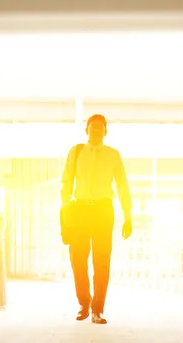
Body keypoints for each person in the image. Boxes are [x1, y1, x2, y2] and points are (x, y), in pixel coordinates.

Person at [60, 114, 133, 324]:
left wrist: (128, 216)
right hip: (80, 210)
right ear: (87, 130)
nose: (96, 131)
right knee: (77, 259)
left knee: (102, 262)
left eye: (101, 127)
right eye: (93, 127)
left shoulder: (113, 155)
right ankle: (84, 302)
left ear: (106, 131)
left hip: (103, 210)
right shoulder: (76, 152)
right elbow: (66, 183)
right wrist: (65, 210)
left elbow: (122, 186)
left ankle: (97, 310)